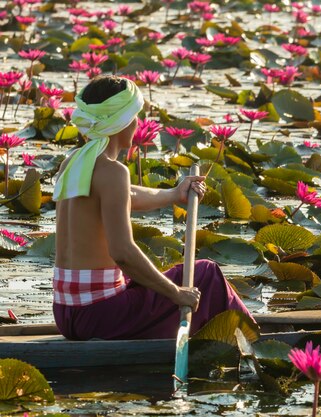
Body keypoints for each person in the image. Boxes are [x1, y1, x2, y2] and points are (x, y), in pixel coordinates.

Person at [52, 75, 253, 340]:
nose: (137, 123)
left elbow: (125, 195)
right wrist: (175, 293)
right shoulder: (113, 172)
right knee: (207, 274)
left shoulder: (74, 163)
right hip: (98, 316)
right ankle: (252, 343)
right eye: (134, 116)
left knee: (170, 277)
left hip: (66, 313)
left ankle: (228, 335)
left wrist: (174, 194)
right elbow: (122, 252)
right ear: (121, 122)